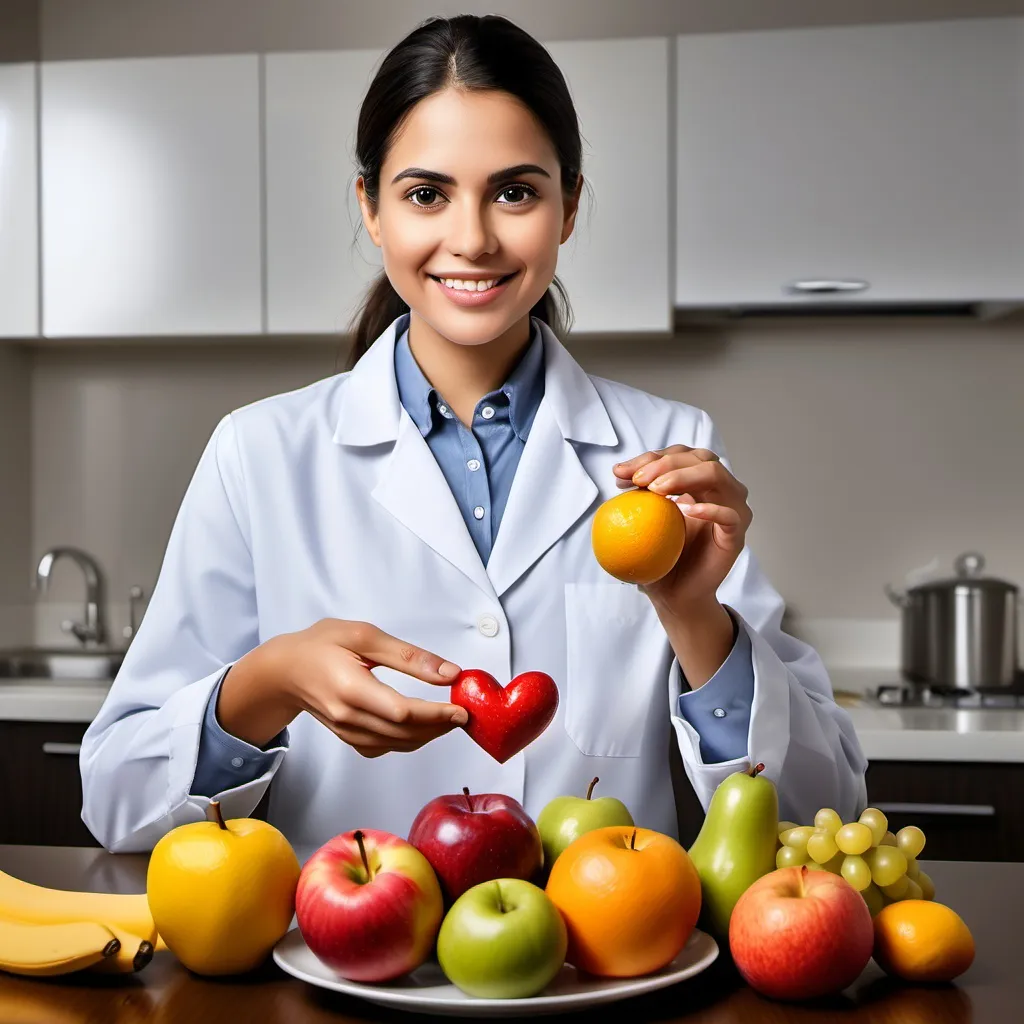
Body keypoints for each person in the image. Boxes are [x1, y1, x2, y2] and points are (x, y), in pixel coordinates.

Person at [80, 14, 867, 854]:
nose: (472, 238)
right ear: (371, 210)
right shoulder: (258, 454)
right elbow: (118, 799)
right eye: (426, 194)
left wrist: (694, 615)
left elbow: (824, 810)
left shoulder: (669, 450)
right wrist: (266, 686)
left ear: (568, 207)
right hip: (339, 970)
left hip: (590, 969)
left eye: (515, 191)